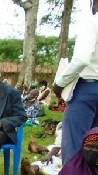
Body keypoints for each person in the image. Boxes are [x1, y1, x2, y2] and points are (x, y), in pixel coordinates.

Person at [53, 0, 98, 164]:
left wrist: (60, 83)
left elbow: (81, 60)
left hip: (87, 88)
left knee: (74, 145)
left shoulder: (92, 22)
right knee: (95, 148)